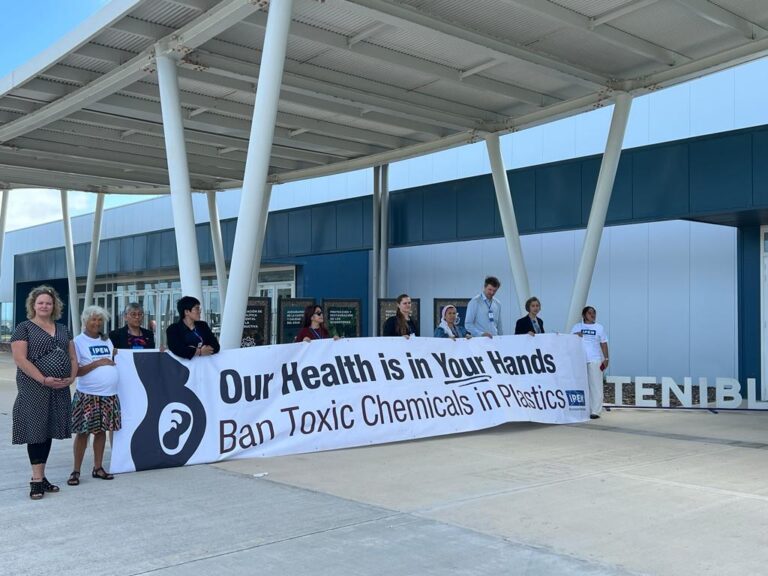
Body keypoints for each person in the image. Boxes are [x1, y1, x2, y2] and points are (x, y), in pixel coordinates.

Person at [10, 285, 78, 500]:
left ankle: (42, 475)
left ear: (54, 306)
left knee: (48, 429)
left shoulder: (62, 329)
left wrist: (71, 377)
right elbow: (20, 359)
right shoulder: (24, 327)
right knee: (36, 429)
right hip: (33, 386)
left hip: (58, 387)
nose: (44, 306)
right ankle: (36, 480)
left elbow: (73, 357)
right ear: (33, 305)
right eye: (40, 302)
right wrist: (42, 379)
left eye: (48, 303)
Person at [68, 306, 121, 485]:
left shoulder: (107, 341)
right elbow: (77, 372)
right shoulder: (77, 342)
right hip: (88, 395)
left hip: (109, 395)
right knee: (83, 433)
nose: (97, 323)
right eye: (93, 319)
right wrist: (97, 363)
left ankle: (98, 468)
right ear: (85, 321)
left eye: (100, 320)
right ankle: (76, 470)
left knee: (101, 433)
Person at [571, 306, 609, 419]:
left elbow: (604, 343)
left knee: (596, 386)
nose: (592, 315)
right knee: (581, 385)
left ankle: (596, 411)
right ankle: (582, 409)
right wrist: (575, 336)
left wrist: (606, 359)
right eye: (589, 313)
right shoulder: (577, 327)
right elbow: (569, 340)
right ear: (584, 315)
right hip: (580, 359)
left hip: (595, 359)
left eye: (594, 313)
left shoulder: (599, 328)